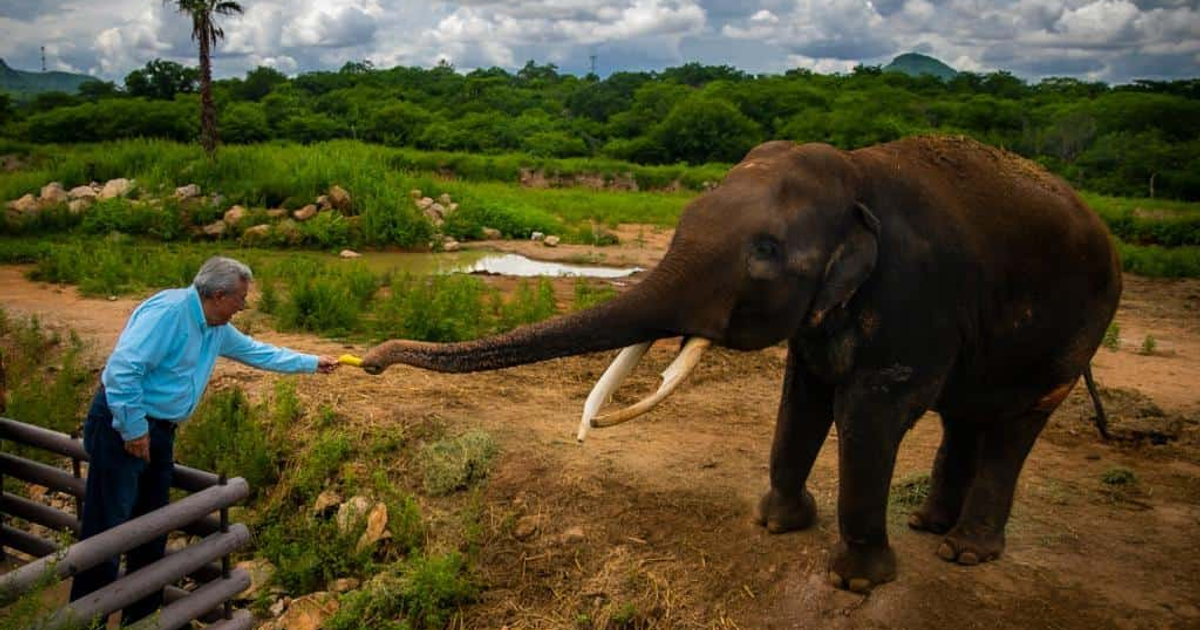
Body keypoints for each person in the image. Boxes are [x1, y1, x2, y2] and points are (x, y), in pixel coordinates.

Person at [69, 256, 339, 626]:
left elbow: (259, 352)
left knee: (153, 528)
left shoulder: (215, 327)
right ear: (217, 295)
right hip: (123, 425)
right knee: (108, 529)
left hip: (159, 431)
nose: (242, 307)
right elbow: (122, 370)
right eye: (240, 300)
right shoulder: (170, 313)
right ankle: (84, 622)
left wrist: (312, 362)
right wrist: (133, 429)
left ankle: (143, 621)